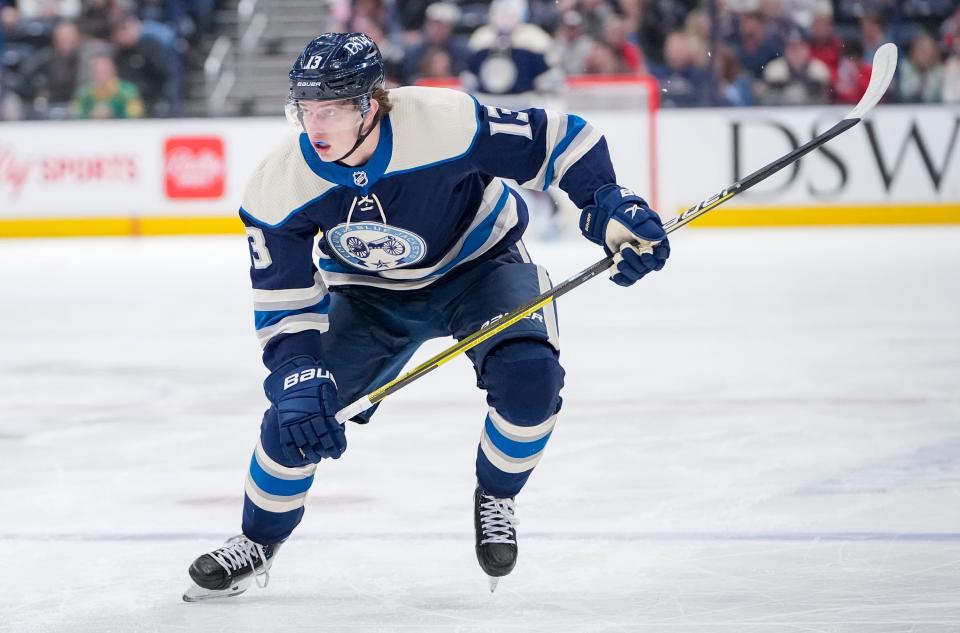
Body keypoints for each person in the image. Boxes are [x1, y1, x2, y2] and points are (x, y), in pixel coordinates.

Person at [182, 31, 670, 602]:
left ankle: (496, 495)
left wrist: (608, 203)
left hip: (480, 269)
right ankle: (258, 540)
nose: (316, 127)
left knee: (530, 380)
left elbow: (561, 140)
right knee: (294, 419)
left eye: (333, 109)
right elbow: (284, 299)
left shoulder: (444, 121)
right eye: (306, 109)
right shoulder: (278, 183)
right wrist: (296, 372)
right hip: (368, 295)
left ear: (370, 104)